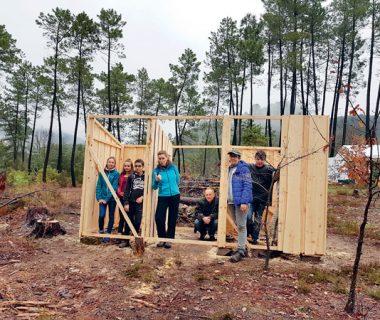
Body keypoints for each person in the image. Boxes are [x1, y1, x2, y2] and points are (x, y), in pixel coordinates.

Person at [227, 149, 252, 263]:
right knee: (238, 225)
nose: (233, 158)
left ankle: (241, 250)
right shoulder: (230, 169)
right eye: (231, 156)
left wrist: (244, 202)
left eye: (235, 156)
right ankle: (241, 246)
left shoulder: (243, 169)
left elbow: (247, 186)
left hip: (240, 202)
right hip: (231, 201)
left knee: (241, 226)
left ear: (239, 158)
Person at [153, 150, 180, 249]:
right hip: (163, 196)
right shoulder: (156, 171)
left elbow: (178, 180)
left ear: (167, 158)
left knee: (172, 218)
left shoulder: (173, 167)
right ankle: (162, 238)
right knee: (159, 218)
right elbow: (154, 187)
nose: (161, 160)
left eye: (163, 158)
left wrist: (173, 189)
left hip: (175, 196)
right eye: (159, 158)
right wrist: (156, 181)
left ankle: (169, 240)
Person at [247, 150, 275, 245]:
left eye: (262, 159)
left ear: (265, 160)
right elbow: (240, 165)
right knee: (248, 217)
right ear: (255, 159)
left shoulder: (269, 170)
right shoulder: (250, 167)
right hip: (251, 198)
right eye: (258, 159)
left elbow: (278, 174)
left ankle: (254, 238)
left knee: (258, 220)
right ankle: (249, 233)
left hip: (263, 199)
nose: (259, 161)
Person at [120, 159, 145, 248]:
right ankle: (125, 240)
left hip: (140, 204)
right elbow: (126, 190)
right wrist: (126, 203)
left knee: (138, 221)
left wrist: (143, 197)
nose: (137, 168)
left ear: (143, 167)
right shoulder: (131, 177)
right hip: (130, 202)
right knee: (128, 221)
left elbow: (148, 191)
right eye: (136, 166)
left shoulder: (146, 177)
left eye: (139, 166)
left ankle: (134, 239)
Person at [95, 156, 120, 243]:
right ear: (107, 162)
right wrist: (99, 198)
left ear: (114, 164)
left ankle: (108, 234)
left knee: (111, 216)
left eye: (112, 162)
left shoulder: (117, 174)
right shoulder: (102, 173)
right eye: (109, 162)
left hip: (112, 199)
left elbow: (114, 187)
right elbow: (99, 186)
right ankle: (101, 231)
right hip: (102, 198)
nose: (111, 163)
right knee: (101, 215)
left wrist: (107, 199)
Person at [115, 159, 133, 244]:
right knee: (121, 216)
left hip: (129, 199)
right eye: (125, 166)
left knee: (128, 217)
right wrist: (119, 193)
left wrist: (127, 194)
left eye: (128, 166)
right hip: (121, 198)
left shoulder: (133, 176)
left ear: (131, 167)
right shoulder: (121, 175)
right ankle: (119, 234)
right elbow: (118, 186)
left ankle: (126, 235)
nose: (126, 167)